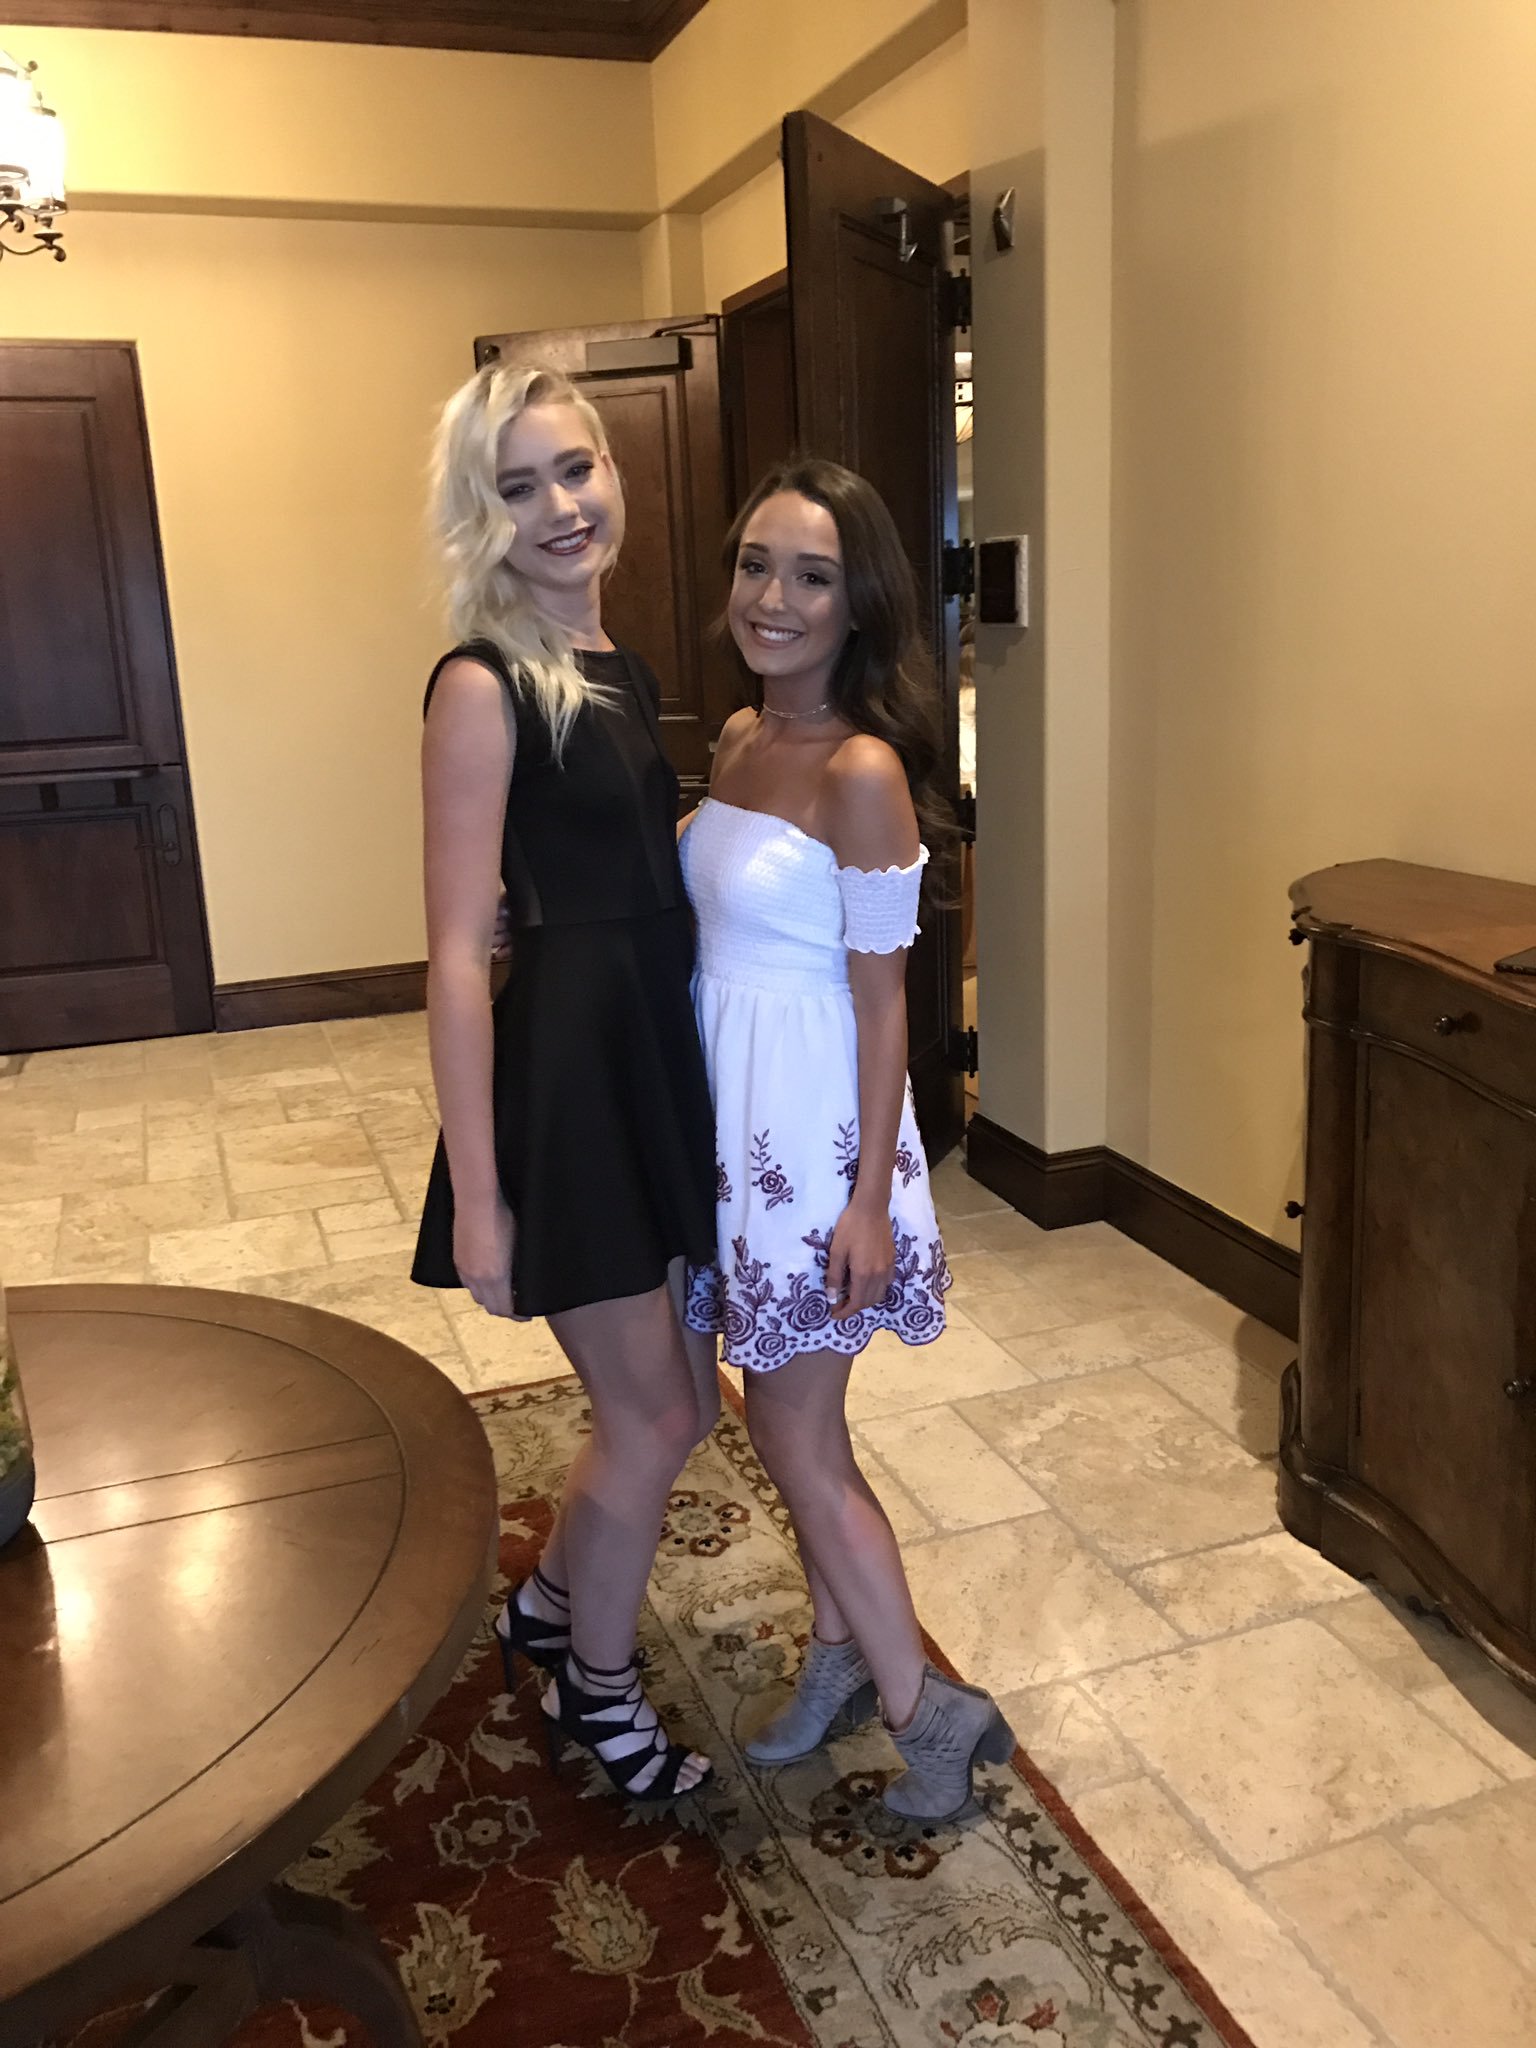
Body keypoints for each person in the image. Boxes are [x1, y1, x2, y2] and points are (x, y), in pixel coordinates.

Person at [680, 457, 1014, 1823]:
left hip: (816, 1151)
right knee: (795, 1426)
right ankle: (838, 1657)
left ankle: (927, 1712)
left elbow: (888, 1006)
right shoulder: (739, 738)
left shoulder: (863, 770)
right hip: (734, 1123)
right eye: (757, 564)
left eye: (812, 576)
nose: (774, 596)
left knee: (795, 1435)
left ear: (858, 602)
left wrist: (870, 1198)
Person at [412, 359, 717, 1803]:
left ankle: (544, 1608)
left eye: (575, 469)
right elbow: (454, 955)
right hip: (570, 1093)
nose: (559, 507)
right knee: (650, 1416)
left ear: (613, 469)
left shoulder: (625, 669)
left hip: (650, 1062)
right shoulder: (482, 686)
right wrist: (482, 1198)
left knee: (684, 1406)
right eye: (517, 486)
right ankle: (596, 1691)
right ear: (484, 514)